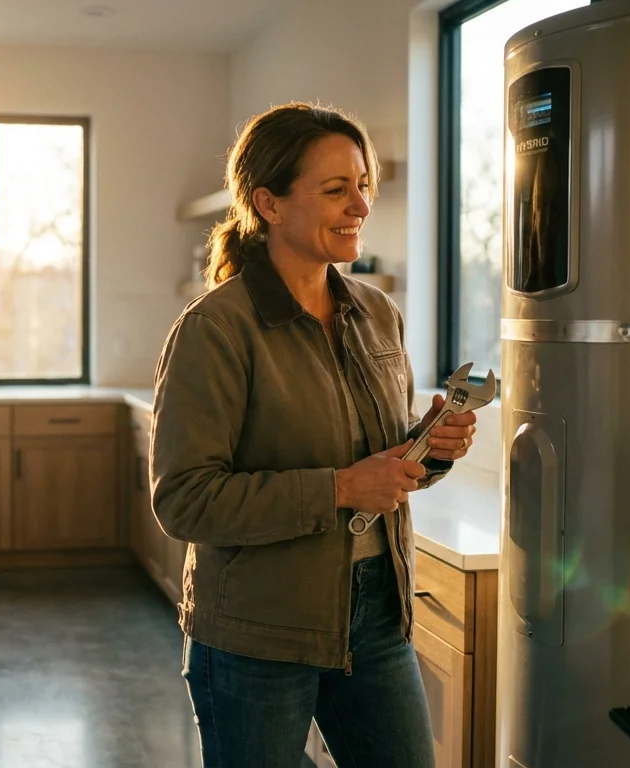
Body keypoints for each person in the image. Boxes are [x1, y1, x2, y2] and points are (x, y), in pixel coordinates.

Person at [149, 102, 478, 767]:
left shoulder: (377, 314)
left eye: (363, 185)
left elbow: (378, 460)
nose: (360, 204)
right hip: (255, 632)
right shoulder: (218, 328)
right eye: (336, 190)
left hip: (378, 617)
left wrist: (429, 448)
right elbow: (184, 499)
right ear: (269, 204)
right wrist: (340, 489)